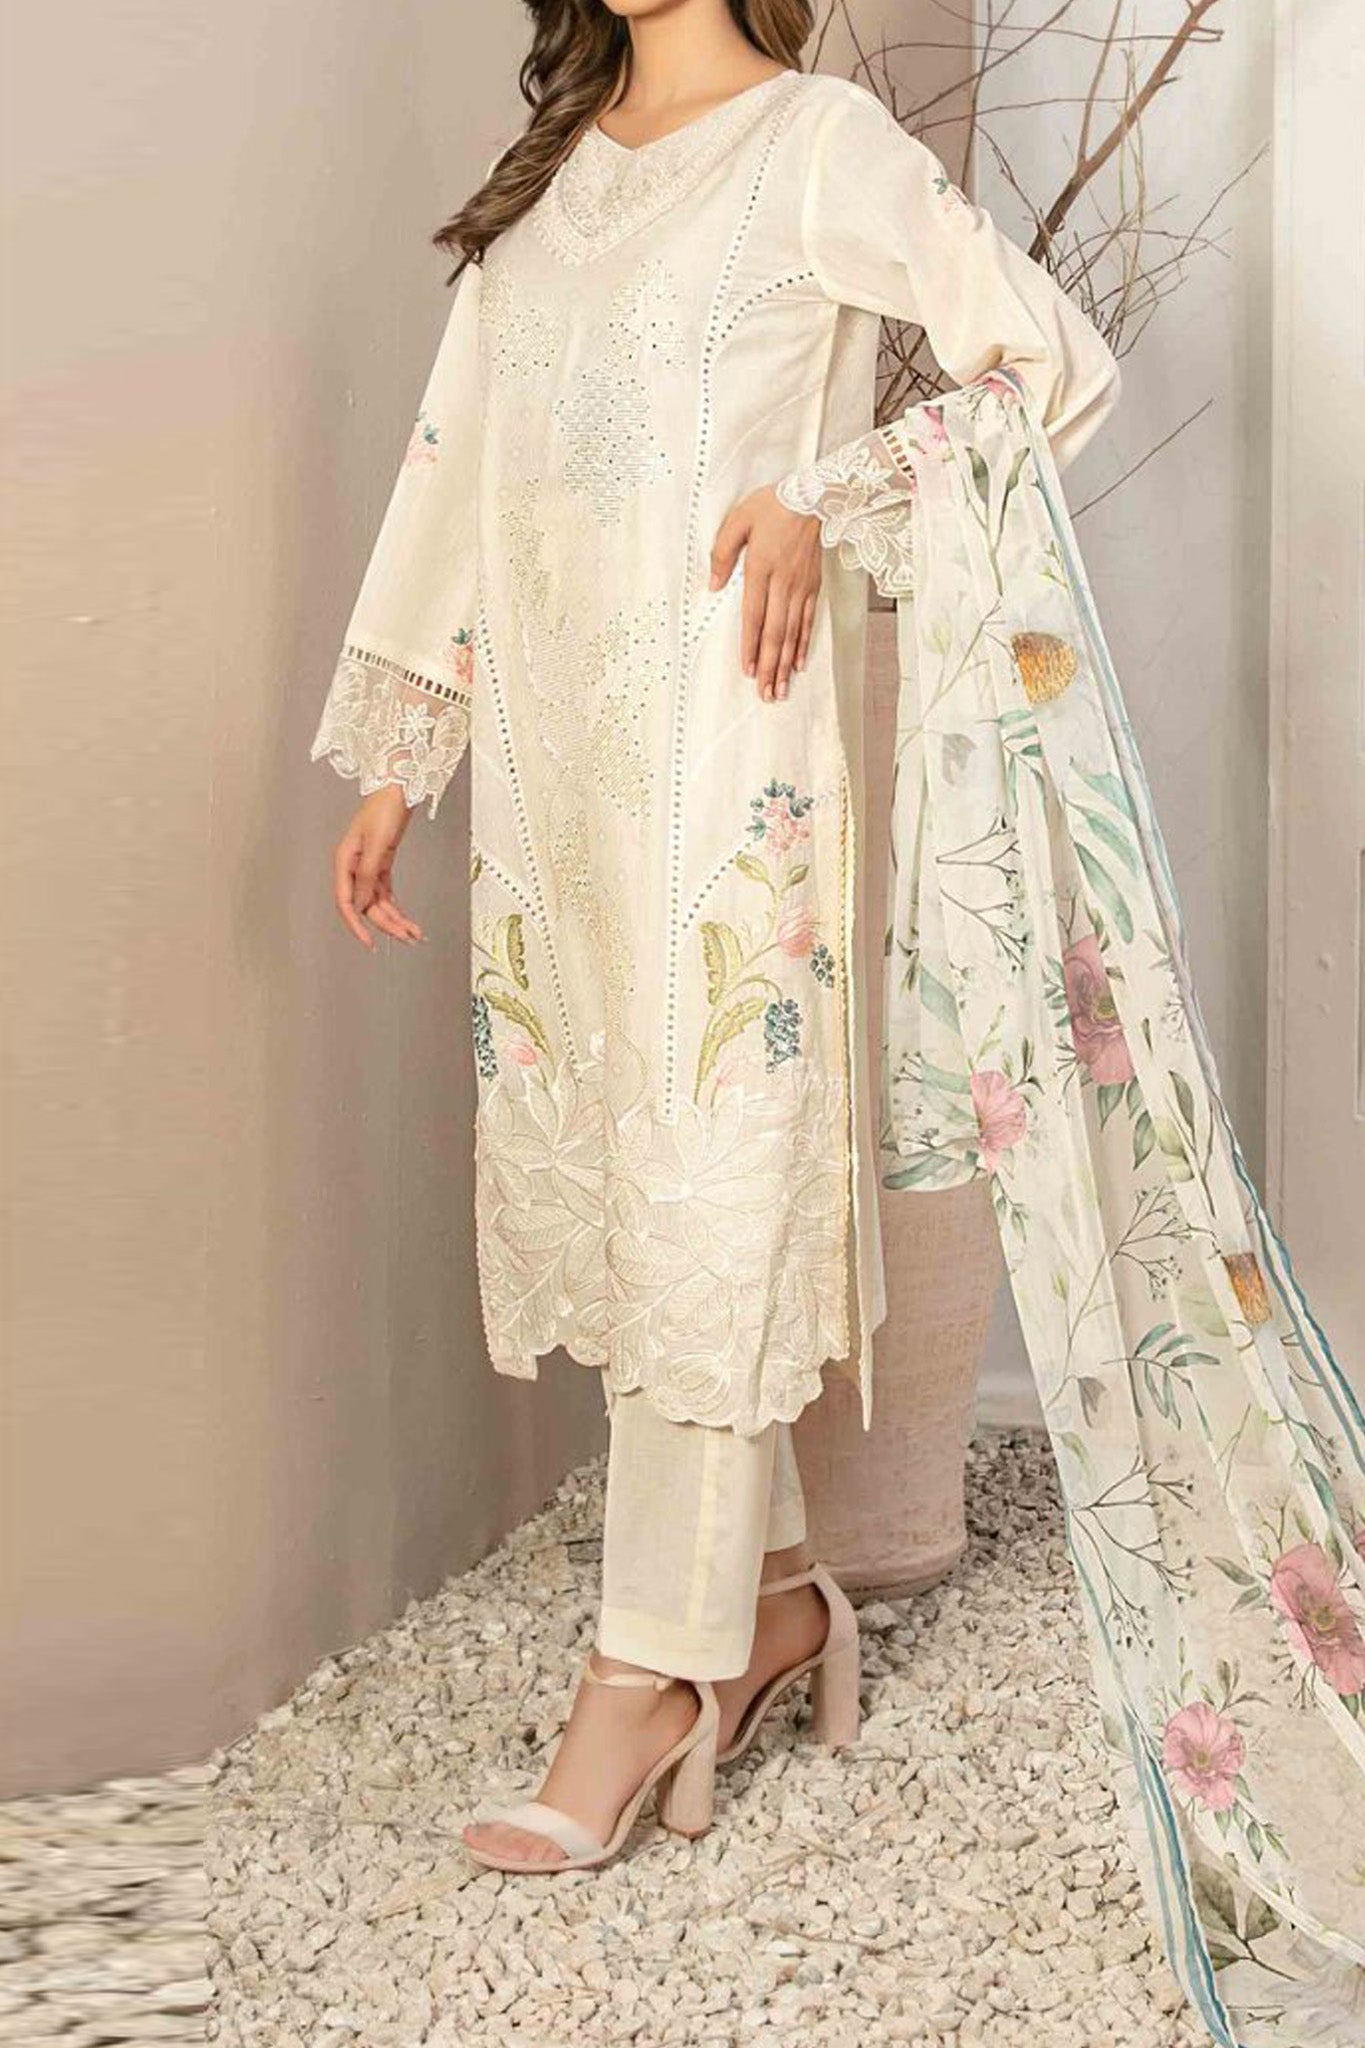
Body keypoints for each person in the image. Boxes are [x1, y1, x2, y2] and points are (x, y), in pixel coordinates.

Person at [310, 0, 1119, 1873]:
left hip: (727, 774)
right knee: (625, 1188)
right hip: (556, 793)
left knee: (704, 1176)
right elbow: (458, 474)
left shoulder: (816, 144)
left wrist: (824, 498)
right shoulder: (547, 190)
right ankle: (765, 1610)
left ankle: (641, 1677)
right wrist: (403, 762)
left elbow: (1047, 367)